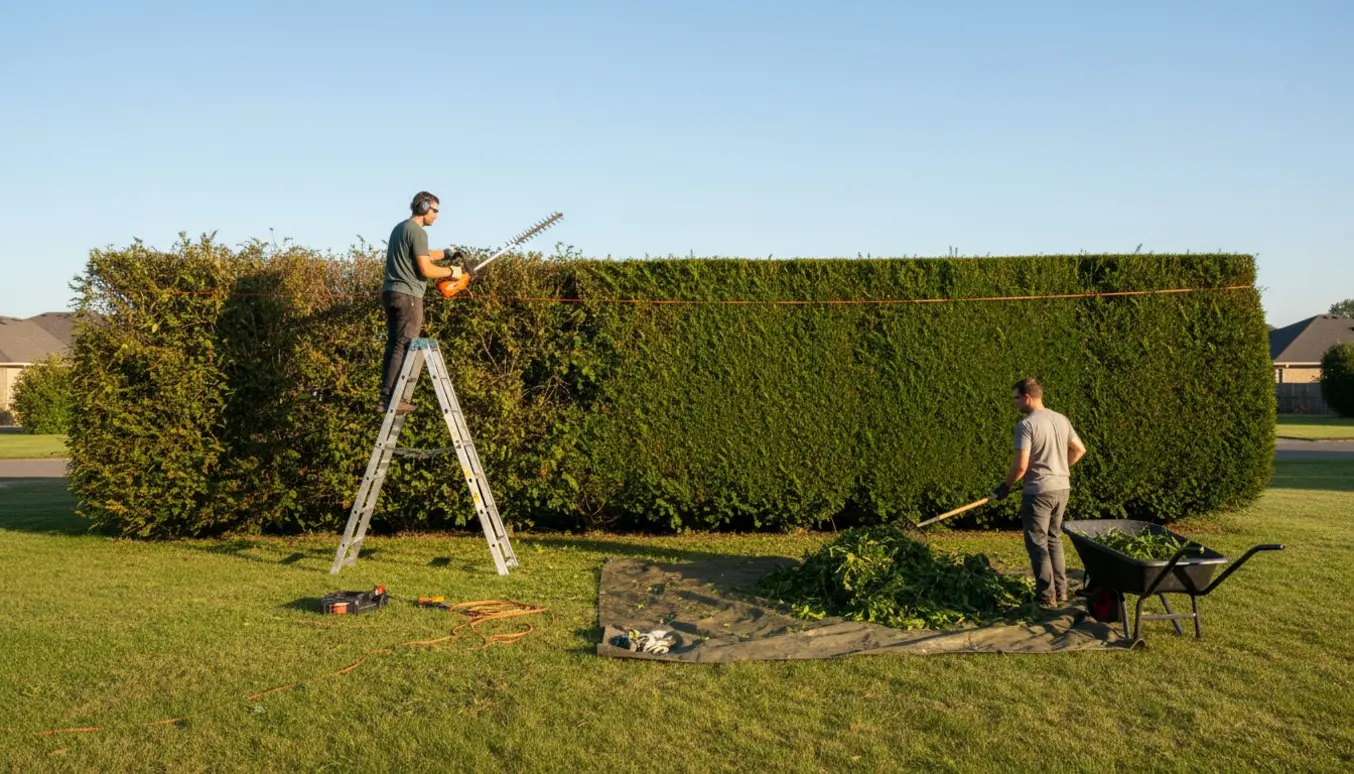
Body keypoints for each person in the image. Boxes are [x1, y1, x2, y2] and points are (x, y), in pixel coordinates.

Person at [989, 378, 1087, 607]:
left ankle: (1046, 597)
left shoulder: (1026, 425)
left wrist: (1005, 486)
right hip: (1062, 488)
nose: (1015, 403)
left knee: (1037, 543)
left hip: (1039, 492)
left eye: (1016, 398)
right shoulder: (1061, 419)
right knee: (1054, 539)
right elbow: (1079, 450)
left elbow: (1021, 466)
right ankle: (1061, 592)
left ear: (1027, 397)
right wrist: (1057, 468)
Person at [378, 191, 466, 414]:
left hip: (391, 293)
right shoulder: (418, 232)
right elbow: (425, 268)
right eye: (435, 210)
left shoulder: (401, 228)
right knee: (404, 344)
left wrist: (446, 253)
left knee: (393, 344)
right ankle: (393, 400)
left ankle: (385, 397)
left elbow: (422, 254)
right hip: (409, 295)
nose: (436, 215)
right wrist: (451, 271)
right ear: (424, 207)